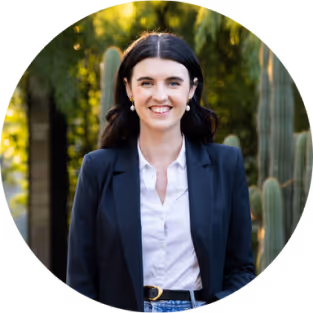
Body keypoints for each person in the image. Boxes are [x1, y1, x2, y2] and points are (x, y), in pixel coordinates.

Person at [66, 31, 255, 313]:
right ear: (129, 89)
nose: (160, 95)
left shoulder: (225, 164)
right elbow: (80, 280)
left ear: (191, 89)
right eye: (146, 83)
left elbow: (241, 270)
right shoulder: (97, 169)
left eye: (173, 82)